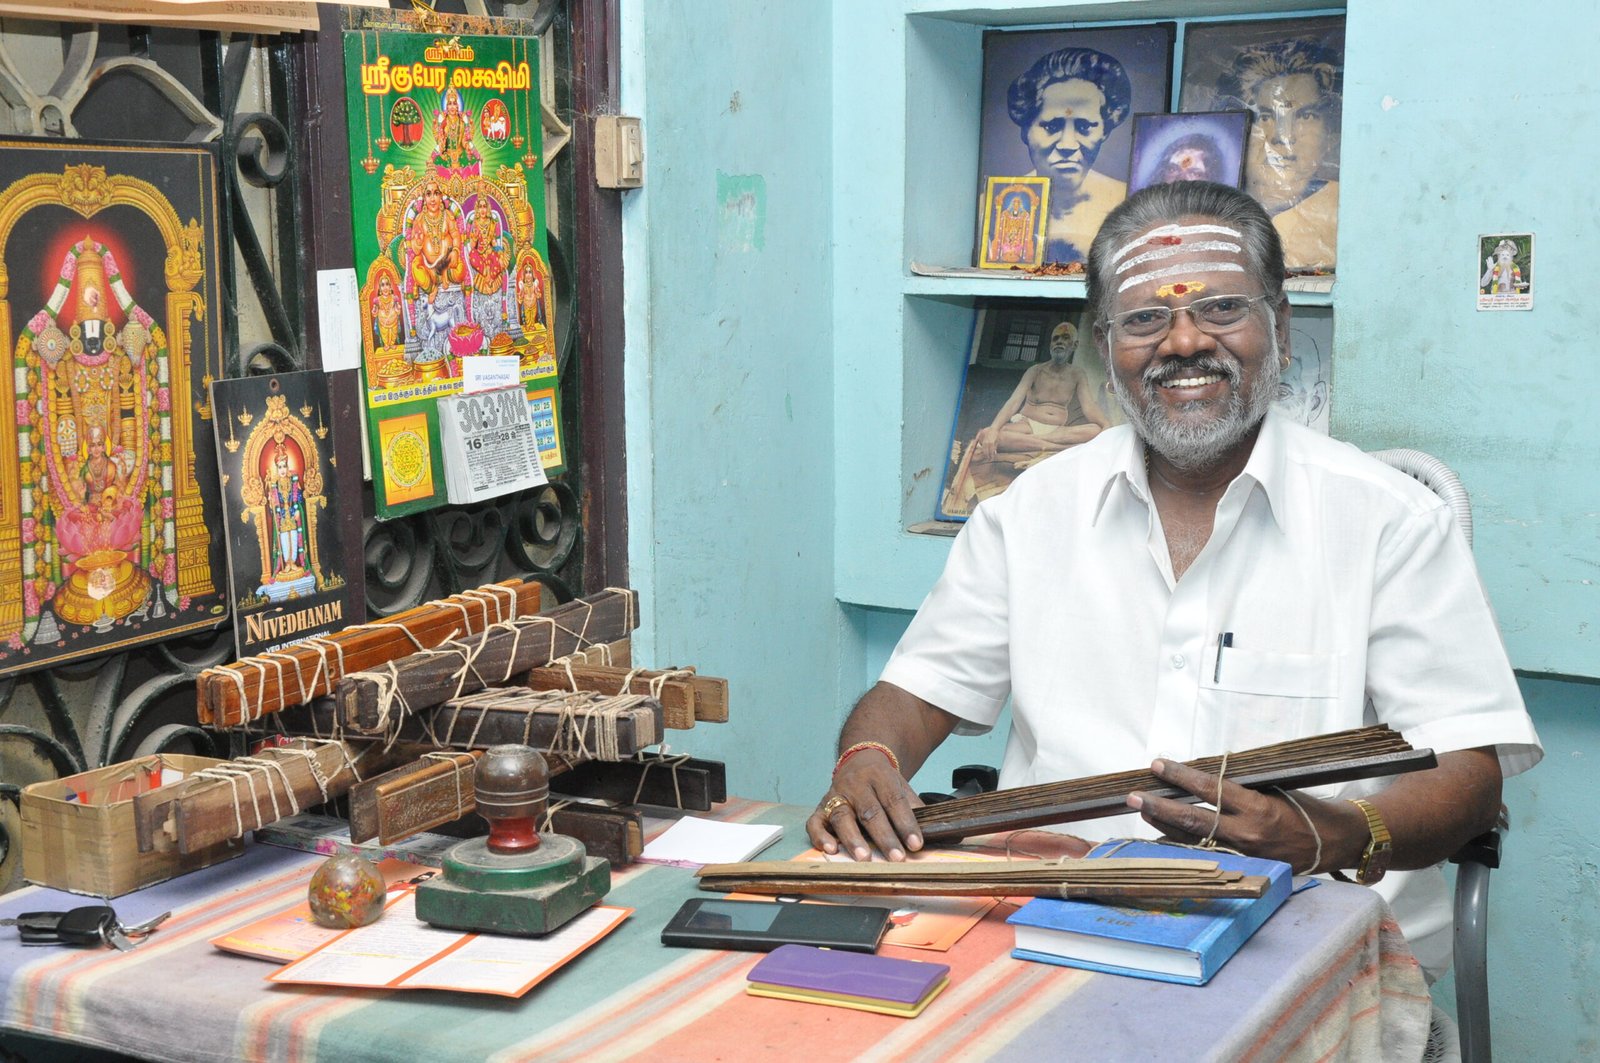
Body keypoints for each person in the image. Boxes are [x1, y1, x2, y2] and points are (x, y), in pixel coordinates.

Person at [810, 180, 1542, 982]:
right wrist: (868, 758)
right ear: (1105, 345)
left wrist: (1328, 834)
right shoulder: (1030, 512)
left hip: (1311, 935)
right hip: (1054, 920)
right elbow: (916, 693)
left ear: (1282, 327)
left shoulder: (1390, 522)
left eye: (1222, 309)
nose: (1185, 341)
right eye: (1147, 318)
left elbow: (1467, 772)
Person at [1216, 37, 1342, 270]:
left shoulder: (1346, 210)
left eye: (1306, 116)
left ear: (1330, 137)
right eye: (1265, 117)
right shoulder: (1205, 209)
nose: (1283, 137)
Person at [1006, 47, 1132, 265]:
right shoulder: (994, 208)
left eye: (1084, 127)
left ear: (1105, 130)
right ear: (1026, 130)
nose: (1067, 144)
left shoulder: (1129, 203)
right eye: (1051, 126)